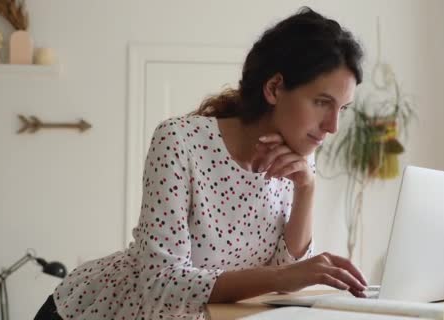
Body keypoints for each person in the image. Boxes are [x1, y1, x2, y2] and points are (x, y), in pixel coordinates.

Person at [35, 7, 367, 320]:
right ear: (274, 87)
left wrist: (307, 187)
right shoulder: (179, 141)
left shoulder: (299, 160)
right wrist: (284, 275)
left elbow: (283, 277)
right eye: (322, 103)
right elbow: (160, 288)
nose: (332, 127)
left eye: (342, 109)